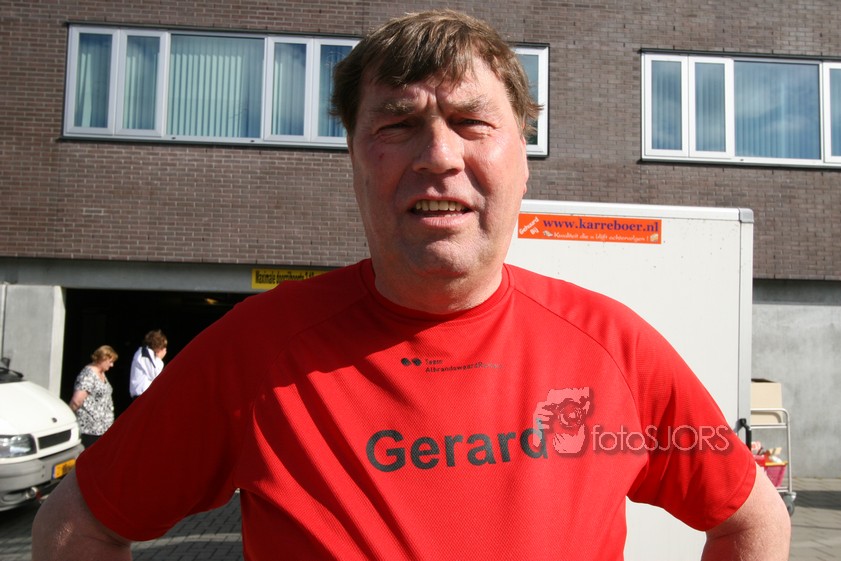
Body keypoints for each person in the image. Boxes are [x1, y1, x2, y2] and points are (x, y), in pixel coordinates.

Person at [32, 10, 790, 560]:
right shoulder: (255, 352)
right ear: (355, 160)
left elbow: (752, 518)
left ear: (522, 158)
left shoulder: (614, 347)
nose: (438, 155)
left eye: (471, 122)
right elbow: (77, 526)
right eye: (396, 125)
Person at [68, 345, 118, 448]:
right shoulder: (88, 375)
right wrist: (68, 416)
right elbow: (76, 401)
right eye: (110, 361)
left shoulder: (101, 373)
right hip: (90, 430)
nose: (112, 365)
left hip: (103, 429)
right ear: (103, 358)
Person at [128, 329, 167, 399]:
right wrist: (159, 358)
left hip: (145, 396)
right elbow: (155, 376)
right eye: (163, 347)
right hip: (141, 396)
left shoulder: (149, 354)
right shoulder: (144, 354)